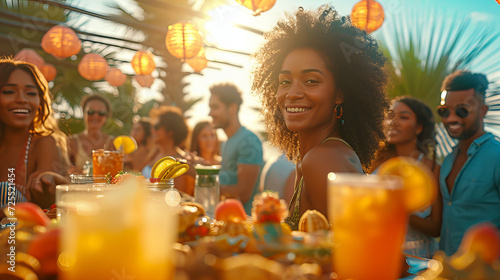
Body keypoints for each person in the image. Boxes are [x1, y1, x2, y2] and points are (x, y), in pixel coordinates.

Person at [252, 6, 388, 230]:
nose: (292, 93)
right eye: (285, 81)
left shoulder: (322, 159)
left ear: (339, 93)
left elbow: (356, 254)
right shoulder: (322, 155)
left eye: (311, 81)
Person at [437, 70, 500, 256]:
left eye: (462, 110)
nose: (451, 118)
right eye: (444, 111)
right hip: (447, 270)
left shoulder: (496, 157)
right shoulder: (448, 161)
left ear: (483, 111)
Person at [371, 96, 442, 258]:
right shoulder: (375, 163)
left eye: (403, 117)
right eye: (390, 116)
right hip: (380, 251)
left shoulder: (431, 168)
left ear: (419, 127)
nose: (393, 122)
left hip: (417, 257)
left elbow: (436, 227)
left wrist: (398, 209)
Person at [0, 58, 68, 210]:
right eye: (9, 91)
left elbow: (46, 203)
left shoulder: (44, 143)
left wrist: (49, 184)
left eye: (30, 93)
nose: (22, 100)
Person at [209, 83, 264, 214]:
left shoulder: (248, 141)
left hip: (242, 225)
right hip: (224, 220)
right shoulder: (228, 141)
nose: (210, 113)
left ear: (232, 108)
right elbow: (227, 178)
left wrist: (201, 177)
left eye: (215, 107)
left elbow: (243, 194)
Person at [142, 106, 196, 195]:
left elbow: (177, 196)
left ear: (170, 131)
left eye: (156, 127)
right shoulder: (155, 153)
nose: (152, 130)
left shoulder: (179, 161)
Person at [68, 94, 114, 174]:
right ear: (84, 113)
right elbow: (65, 171)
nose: (96, 116)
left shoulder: (113, 143)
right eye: (91, 112)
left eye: (101, 113)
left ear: (106, 117)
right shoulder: (72, 142)